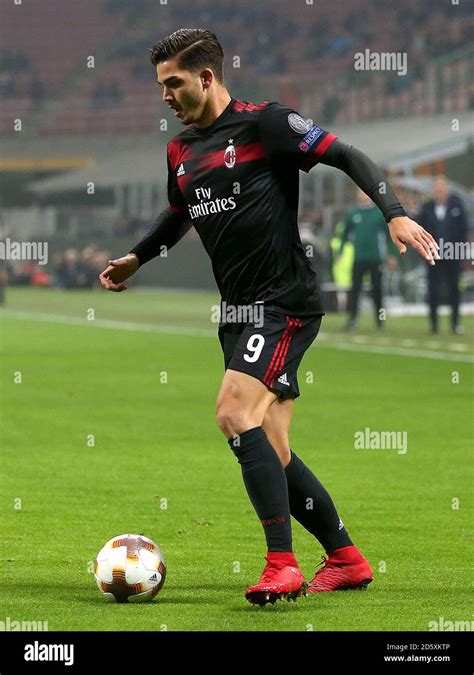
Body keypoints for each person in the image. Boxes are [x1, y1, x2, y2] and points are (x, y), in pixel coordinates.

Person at [99, 29, 439, 606]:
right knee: (273, 448)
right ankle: (346, 558)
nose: (165, 95)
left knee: (233, 412)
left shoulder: (266, 125)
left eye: (173, 83)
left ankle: (281, 564)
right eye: (161, 85)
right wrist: (139, 255)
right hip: (237, 311)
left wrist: (394, 214)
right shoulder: (180, 149)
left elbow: (345, 153)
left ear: (206, 77)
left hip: (282, 303)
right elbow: (180, 212)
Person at [340, 187, 399, 330]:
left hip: (375, 258)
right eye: (360, 192)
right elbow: (344, 234)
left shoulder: (378, 214)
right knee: (355, 289)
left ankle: (380, 320)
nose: (363, 195)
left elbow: (389, 236)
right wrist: (340, 252)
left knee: (377, 289)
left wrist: (392, 254)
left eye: (365, 192)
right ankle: (352, 320)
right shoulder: (353, 213)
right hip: (359, 258)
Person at [417, 175, 468, 334]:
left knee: (454, 288)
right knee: (433, 290)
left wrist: (460, 250)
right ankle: (433, 325)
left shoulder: (457, 205)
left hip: (452, 254)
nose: (439, 190)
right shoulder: (426, 207)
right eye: (437, 188)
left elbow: (463, 229)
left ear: (447, 189)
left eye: (442, 187)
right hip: (433, 254)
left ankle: (455, 324)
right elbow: (421, 228)